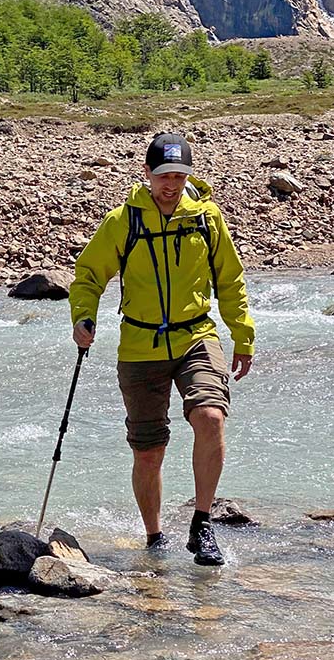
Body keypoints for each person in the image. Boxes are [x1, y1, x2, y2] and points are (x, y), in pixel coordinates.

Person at [68, 132, 255, 566]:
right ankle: (154, 538)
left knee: (210, 417)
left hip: (197, 336)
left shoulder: (207, 218)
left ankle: (202, 524)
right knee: (149, 451)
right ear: (147, 173)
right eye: (164, 175)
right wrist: (83, 317)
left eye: (179, 175)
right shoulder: (123, 221)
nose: (171, 184)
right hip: (140, 344)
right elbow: (89, 276)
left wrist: (243, 335)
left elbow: (230, 280)